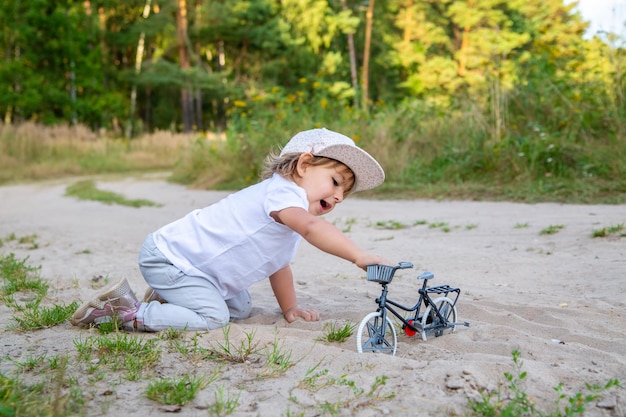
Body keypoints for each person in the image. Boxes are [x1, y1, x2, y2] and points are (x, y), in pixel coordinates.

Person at [71, 128, 390, 331]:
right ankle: (126, 312)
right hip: (172, 259)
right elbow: (311, 227)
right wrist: (357, 255)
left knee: (241, 306)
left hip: (198, 269)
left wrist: (290, 307)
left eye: (344, 193)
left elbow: (279, 266)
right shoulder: (282, 193)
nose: (337, 196)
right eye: (335, 182)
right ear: (303, 166)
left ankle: (169, 299)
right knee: (214, 317)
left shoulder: (290, 215)